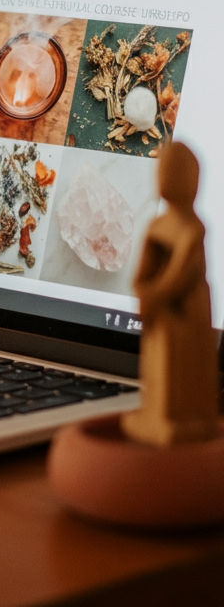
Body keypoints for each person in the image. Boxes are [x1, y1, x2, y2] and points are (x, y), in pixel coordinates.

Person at [122, 142, 220, 447]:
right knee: (156, 362)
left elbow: (182, 273)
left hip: (184, 311)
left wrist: (155, 295)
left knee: (180, 366)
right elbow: (142, 271)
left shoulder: (193, 228)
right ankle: (157, 415)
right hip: (159, 309)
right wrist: (143, 290)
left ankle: (181, 417)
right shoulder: (158, 225)